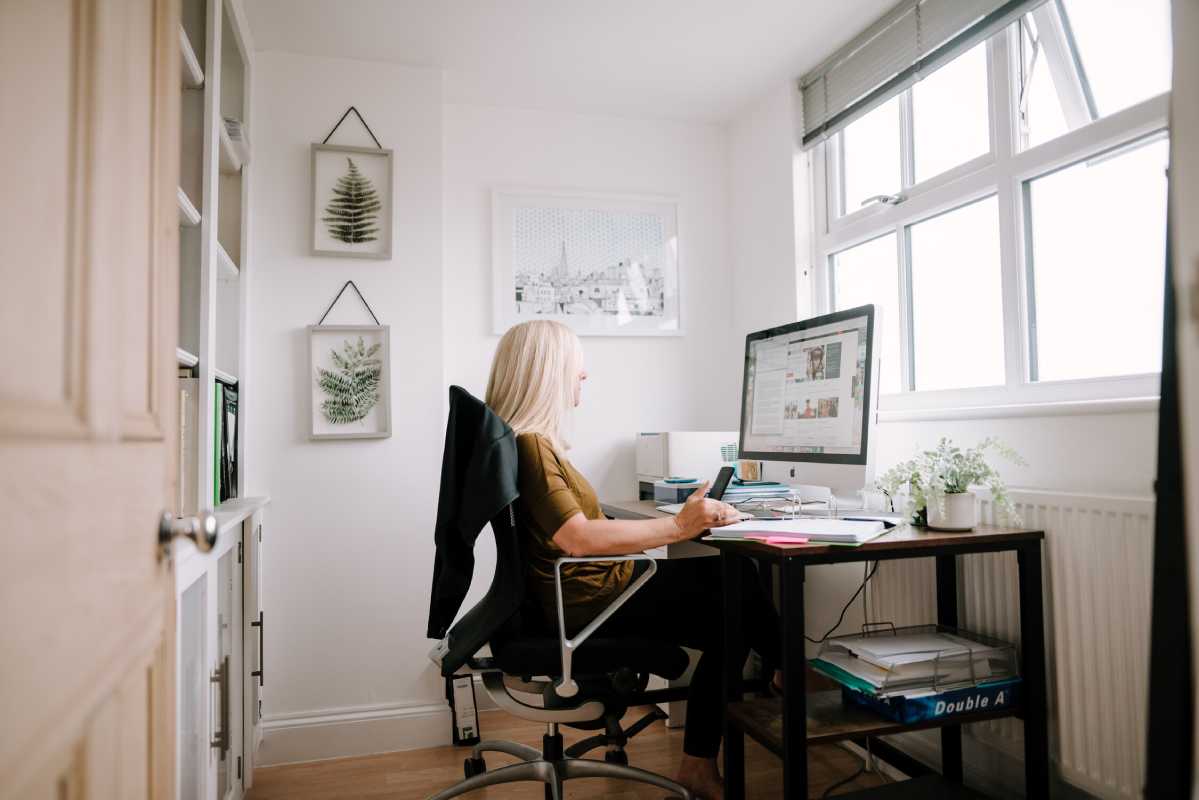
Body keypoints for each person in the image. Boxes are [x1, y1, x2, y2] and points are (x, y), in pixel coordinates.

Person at [485, 319, 782, 800]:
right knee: (737, 580)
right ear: (548, 372)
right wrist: (681, 526)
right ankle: (782, 675)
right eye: (576, 366)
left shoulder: (525, 444)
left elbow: (576, 532)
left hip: (586, 591)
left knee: (731, 617)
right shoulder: (531, 447)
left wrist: (674, 524)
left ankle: (709, 751)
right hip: (590, 597)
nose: (583, 376)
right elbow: (578, 538)